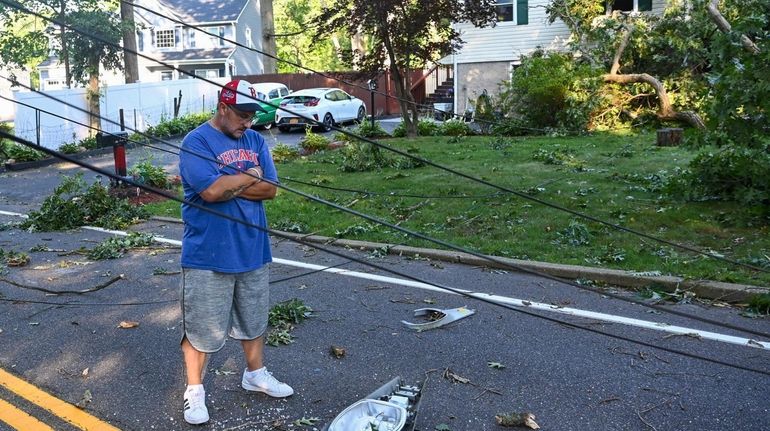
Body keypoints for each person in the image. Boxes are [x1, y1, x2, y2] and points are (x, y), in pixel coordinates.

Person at [178, 79, 292, 425]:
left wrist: (232, 181)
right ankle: (194, 391)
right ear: (223, 108)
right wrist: (248, 175)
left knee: (254, 318)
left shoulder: (255, 139)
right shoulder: (196, 141)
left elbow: (270, 189)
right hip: (208, 253)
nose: (248, 123)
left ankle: (255, 374)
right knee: (201, 327)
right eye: (242, 115)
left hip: (252, 247)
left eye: (252, 116)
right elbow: (211, 192)